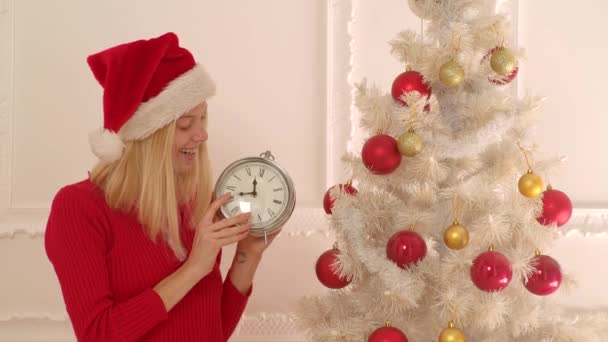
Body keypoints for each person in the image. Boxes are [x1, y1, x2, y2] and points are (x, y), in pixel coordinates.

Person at [44, 32, 279, 342]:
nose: (201, 135)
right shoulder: (79, 208)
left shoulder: (195, 204)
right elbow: (98, 334)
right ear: (149, 136)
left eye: (203, 119)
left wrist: (248, 254)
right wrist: (194, 267)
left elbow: (212, 330)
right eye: (185, 124)